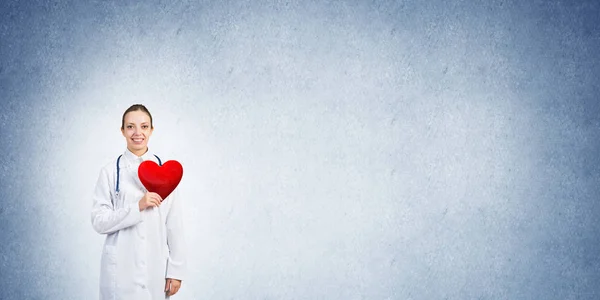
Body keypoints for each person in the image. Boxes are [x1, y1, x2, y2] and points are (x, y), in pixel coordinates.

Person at [91, 104, 186, 299]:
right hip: (120, 271)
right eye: (130, 127)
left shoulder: (168, 175)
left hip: (155, 268)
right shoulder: (110, 172)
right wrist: (137, 207)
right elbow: (99, 221)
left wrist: (176, 271)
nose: (137, 133)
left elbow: (174, 225)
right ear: (122, 131)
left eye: (144, 126)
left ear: (151, 130)